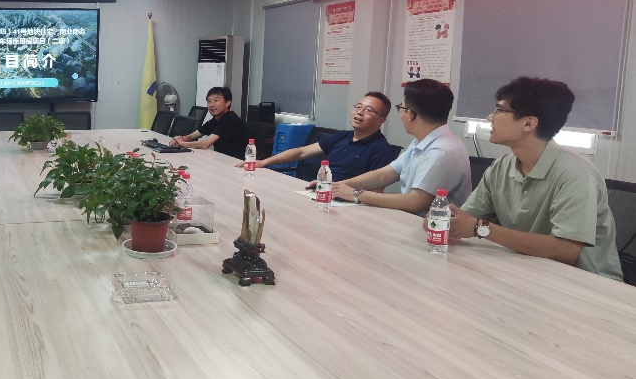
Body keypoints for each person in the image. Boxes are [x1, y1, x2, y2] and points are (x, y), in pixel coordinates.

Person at [444, 77, 623, 281]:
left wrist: (481, 229)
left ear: (528, 123)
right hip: (530, 271)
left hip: (588, 283)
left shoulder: (575, 174)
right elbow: (467, 218)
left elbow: (566, 250)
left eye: (499, 110)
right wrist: (446, 220)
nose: (489, 117)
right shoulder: (501, 167)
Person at [331, 79, 471, 215]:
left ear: (410, 114)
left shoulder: (442, 151)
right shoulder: (421, 142)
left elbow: (416, 202)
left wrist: (356, 194)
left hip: (430, 226)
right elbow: (384, 175)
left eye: (401, 108)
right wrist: (338, 186)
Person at [237, 91, 400, 181]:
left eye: (368, 110)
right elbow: (301, 152)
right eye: (358, 107)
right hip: (318, 191)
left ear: (381, 120)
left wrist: (337, 190)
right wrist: (263, 162)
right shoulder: (342, 136)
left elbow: (375, 190)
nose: (360, 112)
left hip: (344, 203)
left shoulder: (381, 149)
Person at [169, 86, 248, 159]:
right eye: (209, 101)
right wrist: (178, 139)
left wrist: (182, 143)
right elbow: (190, 136)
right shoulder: (215, 120)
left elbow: (205, 144)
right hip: (222, 159)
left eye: (216, 100)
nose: (212, 105)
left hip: (237, 163)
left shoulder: (229, 119)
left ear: (227, 103)